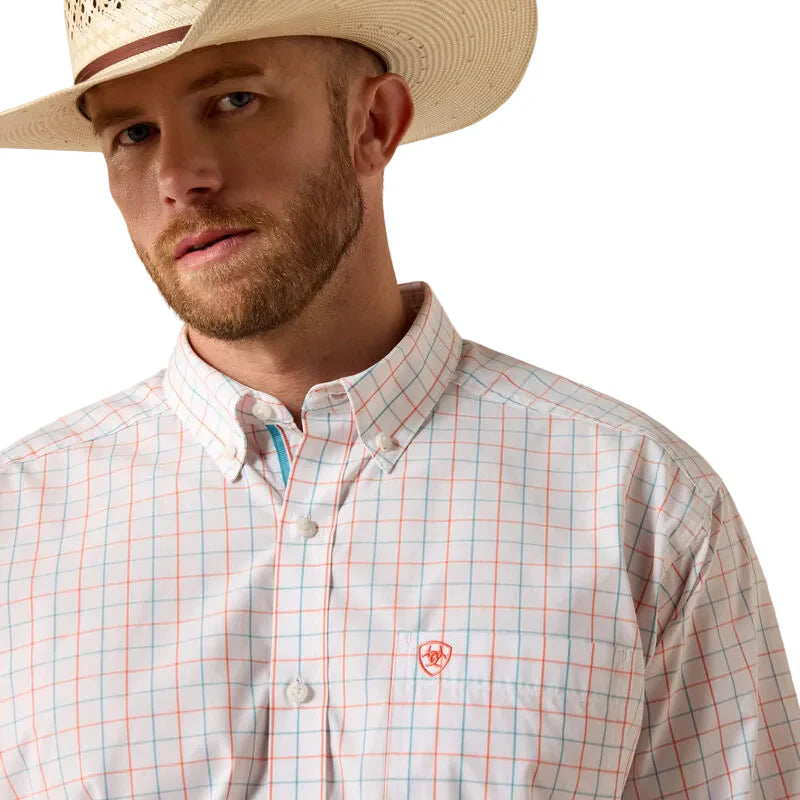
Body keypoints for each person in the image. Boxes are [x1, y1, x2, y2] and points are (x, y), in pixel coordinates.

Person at [0, 1, 798, 798]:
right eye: (132, 134)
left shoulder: (637, 501)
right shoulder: (16, 531)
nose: (180, 179)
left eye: (233, 101)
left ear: (373, 124)